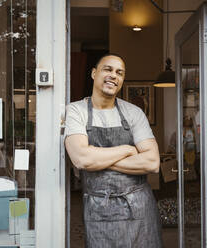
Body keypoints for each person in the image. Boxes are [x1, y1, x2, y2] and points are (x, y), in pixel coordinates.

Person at [64, 54, 162, 247]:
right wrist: (128, 149)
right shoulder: (76, 111)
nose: (113, 76)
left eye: (119, 72)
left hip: (139, 209)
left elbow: (152, 162)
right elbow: (82, 159)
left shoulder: (133, 112)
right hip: (99, 209)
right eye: (107, 69)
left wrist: (99, 161)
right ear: (94, 73)